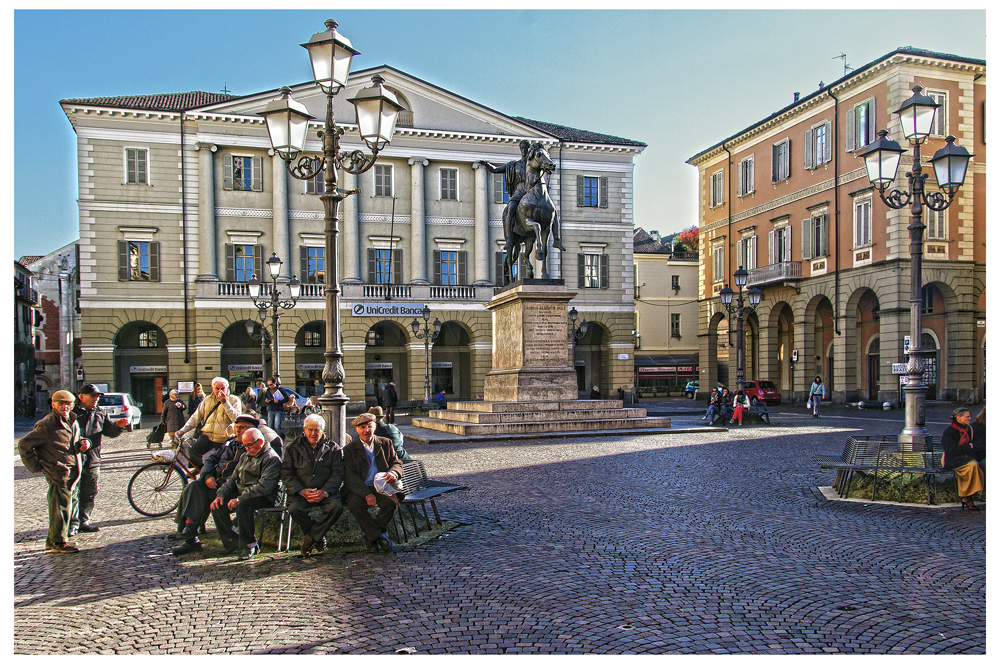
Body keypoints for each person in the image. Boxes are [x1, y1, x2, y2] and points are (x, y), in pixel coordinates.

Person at [171, 414, 258, 555]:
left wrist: (218, 483)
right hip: (214, 482)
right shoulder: (230, 443)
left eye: (242, 428)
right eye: (236, 427)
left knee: (205, 498)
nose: (237, 431)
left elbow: (243, 475)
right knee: (194, 487)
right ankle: (190, 535)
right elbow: (210, 459)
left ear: (253, 430)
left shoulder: (252, 448)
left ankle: (191, 535)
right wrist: (208, 476)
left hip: (233, 488)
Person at [18, 390, 90, 553]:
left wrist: (85, 443)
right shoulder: (47, 424)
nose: (65, 407)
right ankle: (58, 543)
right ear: (53, 404)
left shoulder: (72, 420)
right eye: (61, 404)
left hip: (73, 471)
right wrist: (37, 466)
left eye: (68, 404)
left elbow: (75, 442)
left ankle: (53, 541)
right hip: (58, 472)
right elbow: (24, 445)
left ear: (72, 405)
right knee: (60, 508)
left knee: (65, 507)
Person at [210, 427, 282, 559]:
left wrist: (239, 499)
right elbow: (233, 479)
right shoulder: (245, 456)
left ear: (260, 442)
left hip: (266, 495)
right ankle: (232, 541)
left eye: (249, 445)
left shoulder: (271, 458)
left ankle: (249, 545)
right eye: (245, 445)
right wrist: (221, 494)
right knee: (218, 505)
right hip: (245, 492)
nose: (247, 448)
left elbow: (264, 486)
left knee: (244, 506)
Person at [281, 413, 345, 557]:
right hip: (301, 492)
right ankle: (317, 535)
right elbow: (286, 473)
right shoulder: (293, 448)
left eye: (317, 430)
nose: (313, 433)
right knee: (295, 509)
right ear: (304, 429)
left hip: (326, 492)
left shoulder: (333, 448)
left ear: (323, 431)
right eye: (310, 430)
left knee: (336, 508)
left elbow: (337, 473)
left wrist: (324, 492)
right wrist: (301, 490)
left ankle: (310, 538)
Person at [69, 383, 128, 536]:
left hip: (92, 459)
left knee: (89, 492)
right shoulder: (71, 413)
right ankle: (72, 524)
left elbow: (109, 432)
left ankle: (84, 521)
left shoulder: (100, 412)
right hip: (74, 459)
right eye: (93, 396)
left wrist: (118, 426)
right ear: (81, 397)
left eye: (97, 396)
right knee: (73, 492)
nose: (96, 399)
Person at [342, 413, 404, 553]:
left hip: (382, 486)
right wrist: (366, 494)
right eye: (362, 427)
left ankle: (371, 537)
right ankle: (379, 536)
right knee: (355, 505)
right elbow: (349, 476)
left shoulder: (385, 443)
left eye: (369, 426)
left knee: (391, 503)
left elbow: (396, 462)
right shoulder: (350, 449)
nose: (366, 430)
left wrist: (394, 472)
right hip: (361, 488)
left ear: (374, 427)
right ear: (357, 430)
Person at [175, 377, 242, 467]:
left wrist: (225, 403)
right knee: (193, 450)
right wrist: (182, 430)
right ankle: (201, 471)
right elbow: (195, 417)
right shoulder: (207, 400)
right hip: (208, 435)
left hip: (224, 437)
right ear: (212, 388)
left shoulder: (234, 399)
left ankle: (216, 477)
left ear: (227, 388)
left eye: (223, 388)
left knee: (223, 463)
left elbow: (237, 419)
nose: (220, 391)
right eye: (217, 388)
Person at [941, 407, 985, 511]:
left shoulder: (969, 429)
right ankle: (967, 497)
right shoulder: (949, 432)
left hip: (965, 458)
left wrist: (967, 448)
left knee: (973, 465)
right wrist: (969, 446)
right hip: (951, 460)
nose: (970, 418)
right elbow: (952, 451)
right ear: (959, 418)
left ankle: (967, 497)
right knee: (973, 465)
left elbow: (978, 444)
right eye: (967, 416)